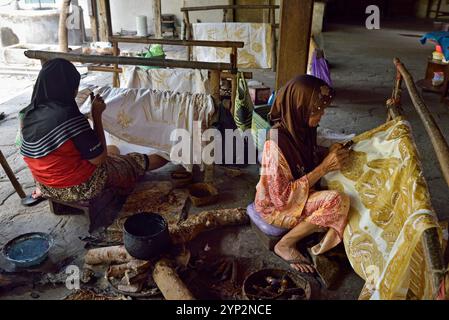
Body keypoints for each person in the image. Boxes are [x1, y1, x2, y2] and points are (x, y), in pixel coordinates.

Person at [19, 58, 168, 203]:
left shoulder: (26, 114)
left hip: (45, 186)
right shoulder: (68, 116)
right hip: (80, 187)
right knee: (134, 160)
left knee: (113, 149)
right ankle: (172, 155)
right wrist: (96, 115)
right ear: (69, 88)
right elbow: (99, 159)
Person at [254, 75, 350, 273]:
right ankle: (285, 244)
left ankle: (319, 229)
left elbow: (304, 160)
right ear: (300, 108)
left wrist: (329, 153)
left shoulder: (302, 130)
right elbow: (282, 199)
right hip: (275, 208)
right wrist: (323, 167)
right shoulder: (275, 143)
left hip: (297, 195)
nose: (322, 115)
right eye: (317, 111)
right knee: (337, 201)